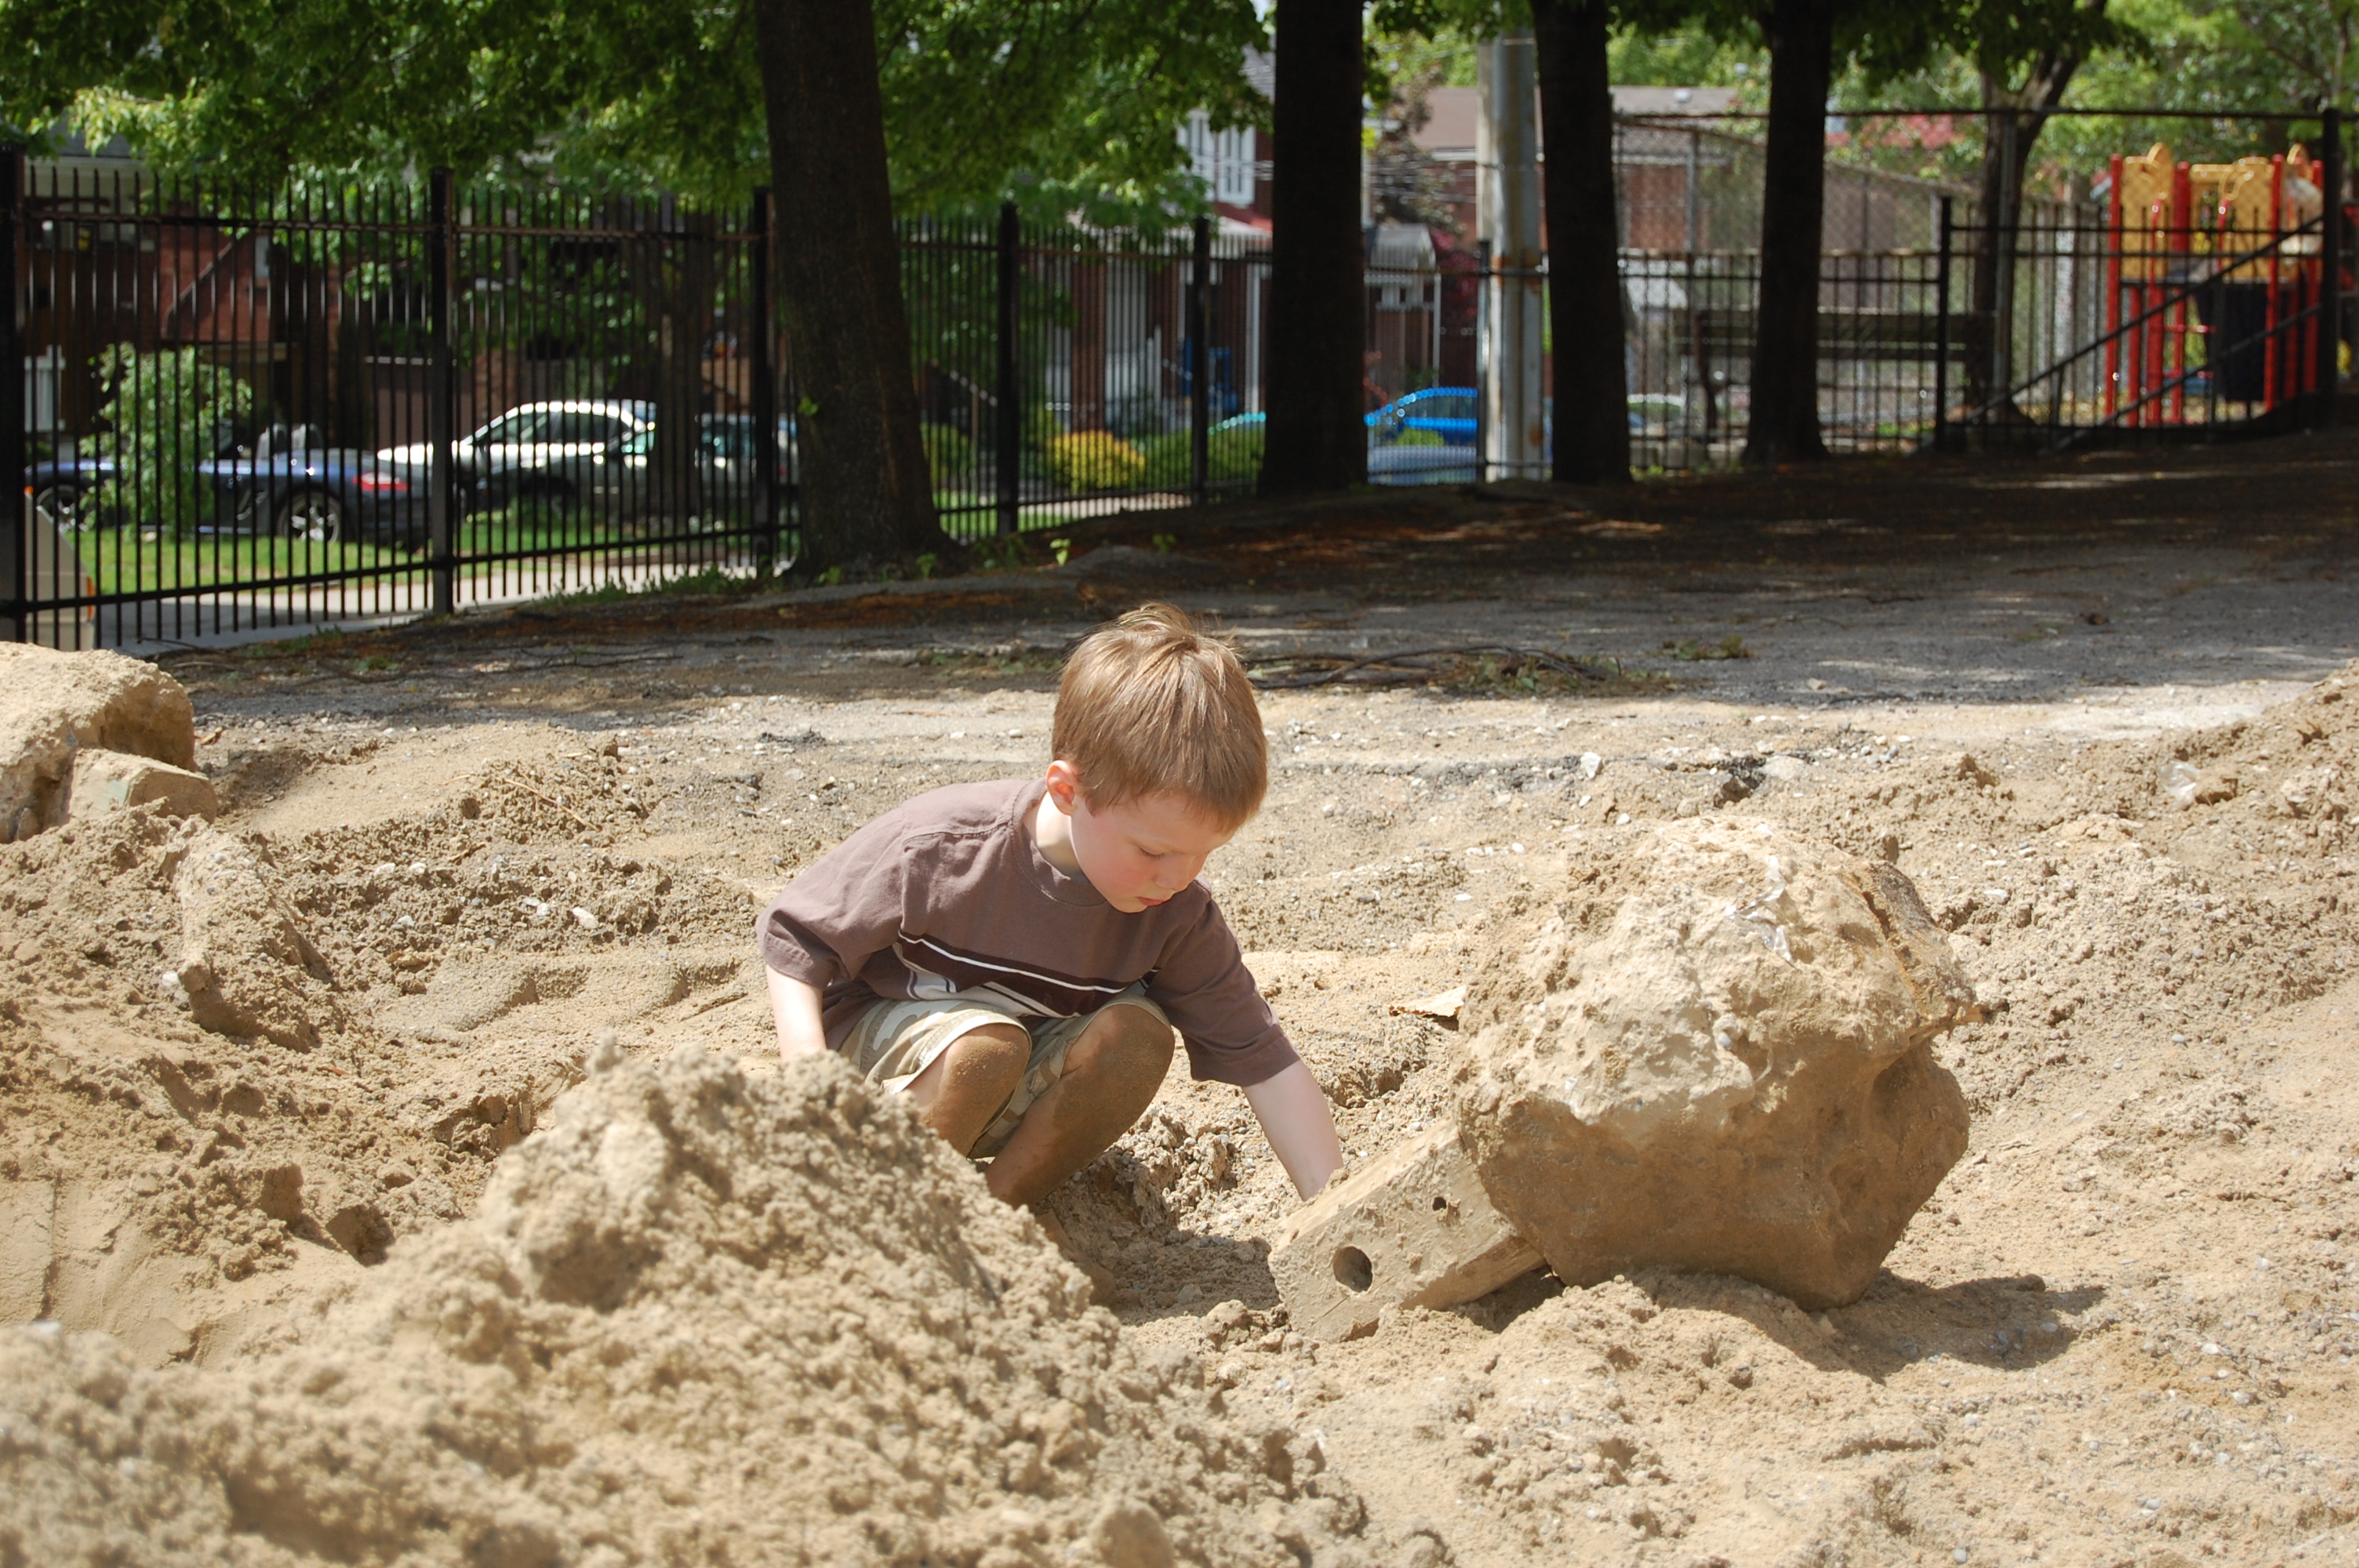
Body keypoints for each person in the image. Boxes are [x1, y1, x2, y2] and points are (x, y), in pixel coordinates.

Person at [757, 602, 1344, 1208]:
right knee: (986, 1049)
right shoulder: (944, 846)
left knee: (1137, 1038)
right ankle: (882, 1209)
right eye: (1153, 850)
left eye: (1204, 853)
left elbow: (1266, 1062)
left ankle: (994, 1215)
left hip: (1007, 1079)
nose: (1178, 877)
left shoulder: (1176, 914)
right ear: (1068, 791)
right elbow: (796, 936)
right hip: (882, 1072)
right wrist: (811, 1087)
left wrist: (1332, 1210)